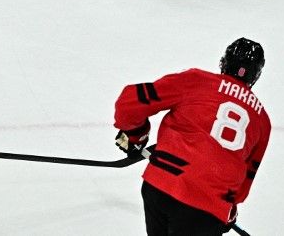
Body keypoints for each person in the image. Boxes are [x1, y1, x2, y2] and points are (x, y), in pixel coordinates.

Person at [114, 38, 270, 235]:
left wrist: (136, 134)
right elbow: (245, 182)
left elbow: (129, 103)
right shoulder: (262, 121)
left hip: (160, 186)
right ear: (256, 75)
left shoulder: (196, 81)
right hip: (206, 209)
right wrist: (228, 208)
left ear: (225, 61)